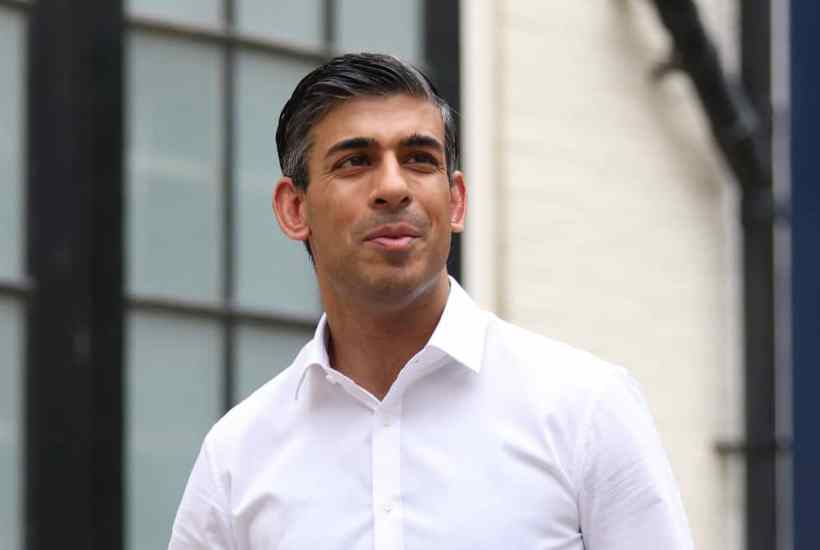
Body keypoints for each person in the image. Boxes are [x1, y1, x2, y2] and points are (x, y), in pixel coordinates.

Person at [168, 53, 694, 550]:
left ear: (456, 200)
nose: (393, 187)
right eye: (355, 161)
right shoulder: (236, 457)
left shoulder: (586, 410)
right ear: (294, 208)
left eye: (419, 160)